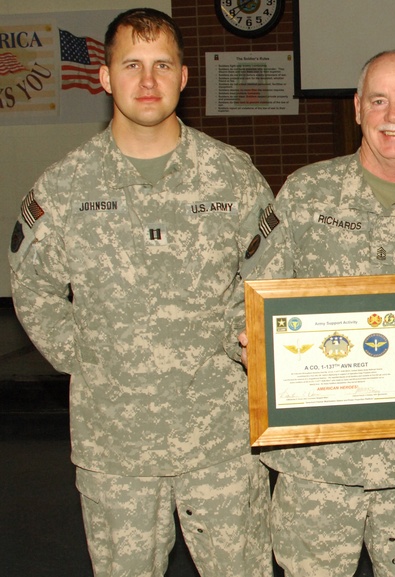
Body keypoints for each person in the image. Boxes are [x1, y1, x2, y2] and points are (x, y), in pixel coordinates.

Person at [7, 8, 275, 577]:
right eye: (132, 65)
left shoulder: (232, 177)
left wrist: (243, 344)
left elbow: (270, 280)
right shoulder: (65, 185)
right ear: (105, 77)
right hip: (115, 448)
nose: (147, 82)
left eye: (162, 65)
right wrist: (88, 358)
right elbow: (32, 284)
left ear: (184, 77)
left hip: (220, 439)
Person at [242, 50, 395, 576]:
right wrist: (249, 341)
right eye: (379, 101)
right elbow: (244, 297)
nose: (393, 116)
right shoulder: (305, 195)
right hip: (316, 466)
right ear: (357, 109)